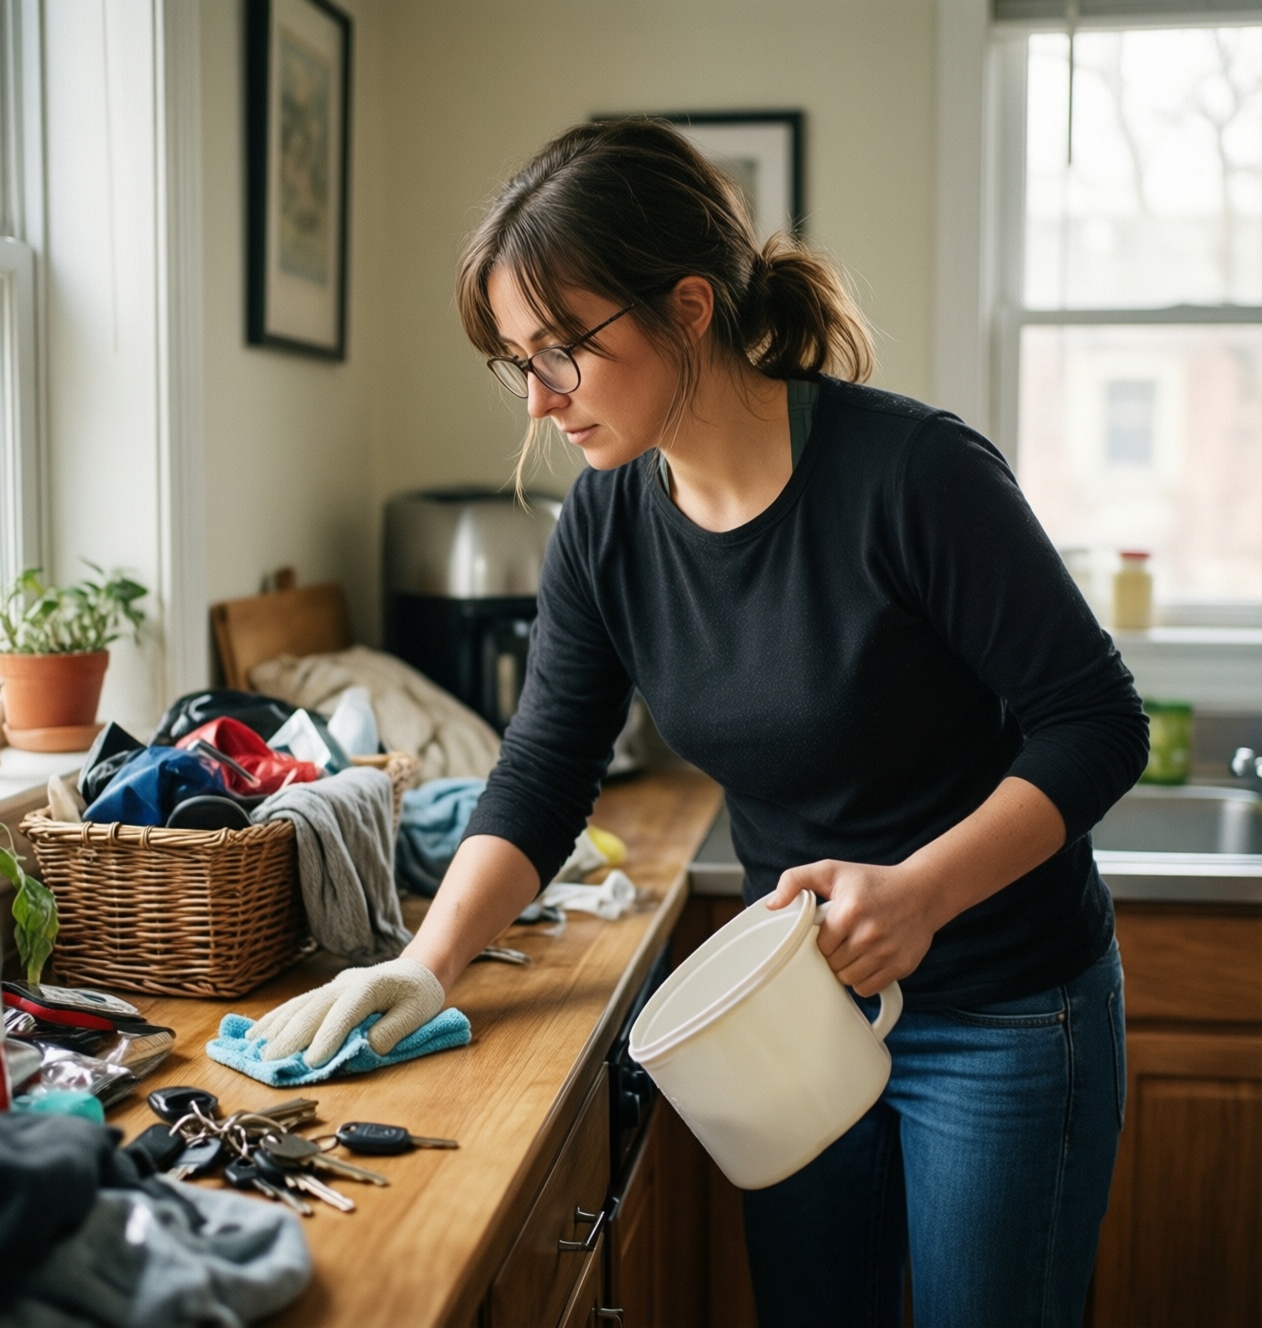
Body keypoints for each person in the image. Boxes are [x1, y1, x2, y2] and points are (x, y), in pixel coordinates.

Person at [251, 117, 1149, 1328]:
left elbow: (1094, 722)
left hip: (1001, 1007)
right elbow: (542, 769)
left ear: (684, 307)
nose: (536, 398)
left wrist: (921, 892)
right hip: (789, 1018)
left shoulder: (913, 477)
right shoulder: (603, 528)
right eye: (514, 360)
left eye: (563, 348)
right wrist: (425, 959)